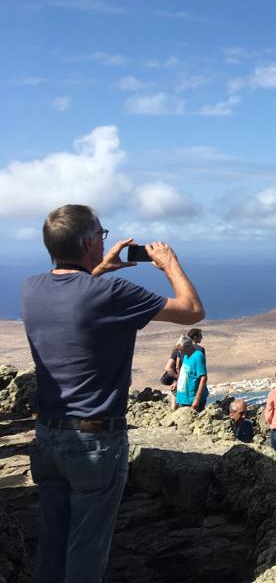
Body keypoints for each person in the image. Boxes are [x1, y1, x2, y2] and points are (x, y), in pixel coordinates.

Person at [22, 204, 203, 583]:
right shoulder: (111, 293)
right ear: (90, 242)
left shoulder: (30, 289)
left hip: (47, 439)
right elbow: (191, 311)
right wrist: (169, 263)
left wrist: (98, 267)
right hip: (95, 442)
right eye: (101, 236)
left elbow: (74, 295)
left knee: (52, 548)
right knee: (87, 554)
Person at [175, 335, 208, 411]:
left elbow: (203, 378)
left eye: (181, 350)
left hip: (192, 399)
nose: (180, 352)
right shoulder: (186, 356)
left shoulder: (198, 356)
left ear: (188, 346)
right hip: (184, 398)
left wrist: (197, 398)